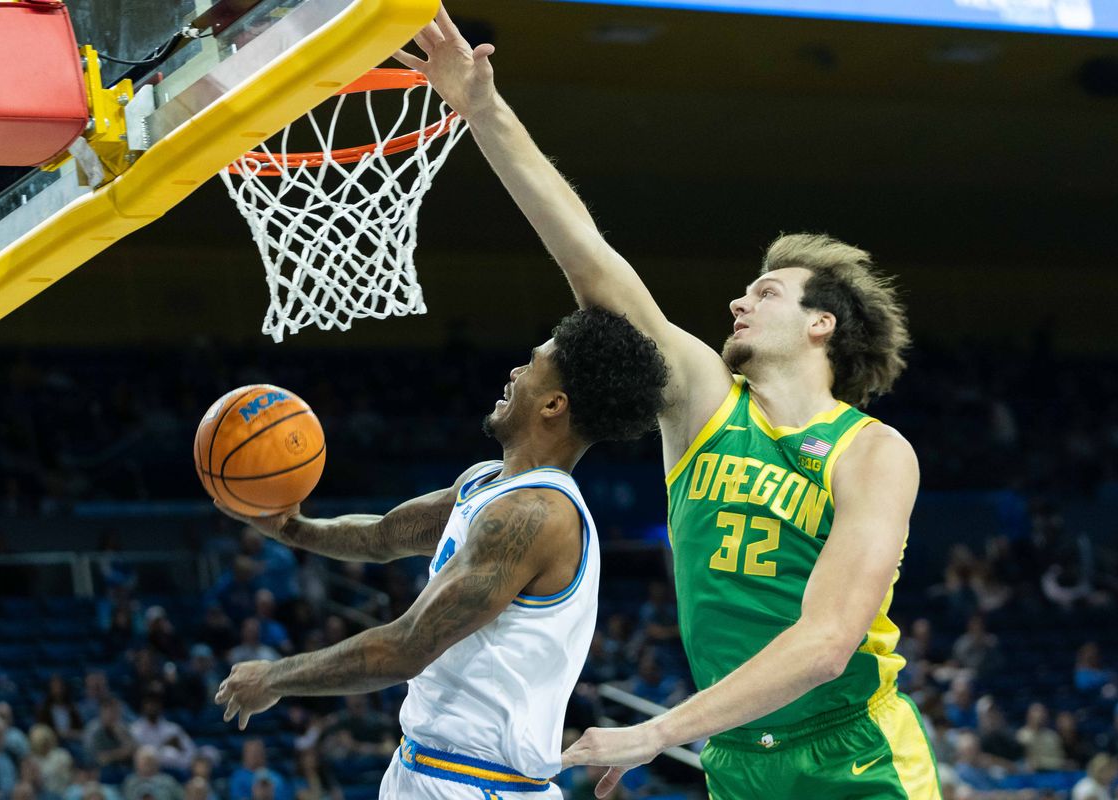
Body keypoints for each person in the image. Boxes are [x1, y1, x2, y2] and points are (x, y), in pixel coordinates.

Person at [396, 7, 935, 798]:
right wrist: (484, 109)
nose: (739, 302)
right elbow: (591, 261)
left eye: (767, 292)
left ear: (821, 324)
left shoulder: (873, 452)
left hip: (855, 754)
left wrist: (657, 730)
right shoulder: (706, 407)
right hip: (737, 758)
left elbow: (825, 643)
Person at [213, 307, 669, 799]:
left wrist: (275, 678)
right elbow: (383, 536)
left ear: (553, 404)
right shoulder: (484, 483)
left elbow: (407, 646)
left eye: (531, 365)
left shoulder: (535, 514)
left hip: (480, 783)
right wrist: (289, 528)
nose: (515, 372)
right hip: (424, 766)